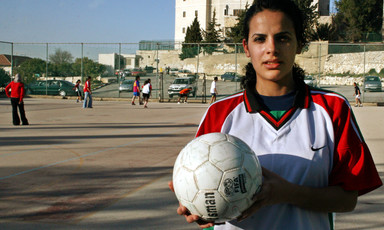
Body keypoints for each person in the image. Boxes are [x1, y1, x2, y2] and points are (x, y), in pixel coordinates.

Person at [169, 0, 382, 229]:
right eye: (260, 39)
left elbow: (348, 199)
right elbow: (204, 206)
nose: (272, 48)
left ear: (299, 44)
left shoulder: (332, 109)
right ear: (246, 47)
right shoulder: (220, 113)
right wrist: (200, 209)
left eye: (283, 37)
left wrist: (288, 193)